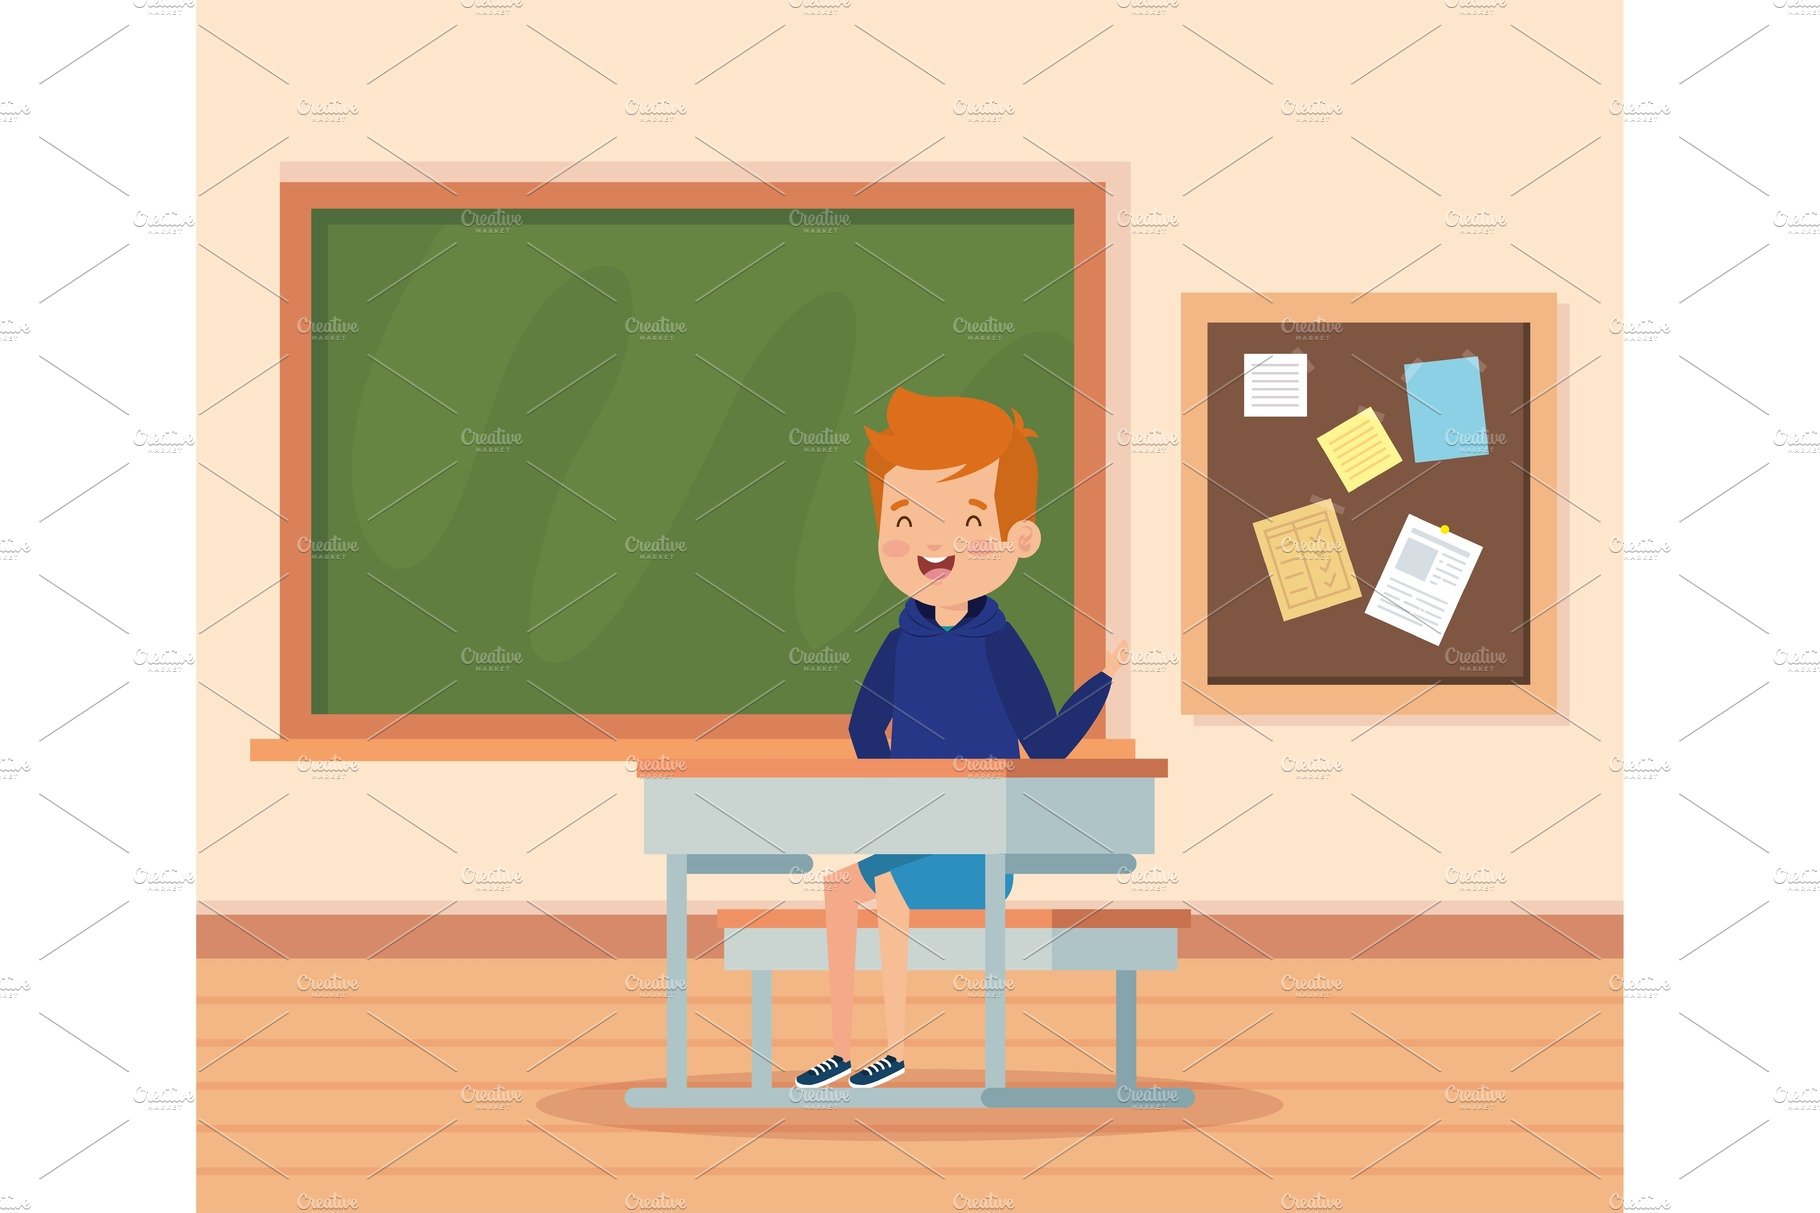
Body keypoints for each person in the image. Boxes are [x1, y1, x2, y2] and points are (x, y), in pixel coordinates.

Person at [794, 387, 1121, 1091]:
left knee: (884, 894)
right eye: (907, 517)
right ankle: (844, 1047)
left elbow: (1047, 745)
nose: (934, 543)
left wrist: (1102, 681)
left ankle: (894, 1047)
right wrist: (893, 789)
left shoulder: (999, 643)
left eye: (966, 518)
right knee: (840, 886)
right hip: (917, 824)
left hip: (983, 834)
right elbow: (861, 725)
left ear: (1016, 538)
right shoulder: (898, 640)